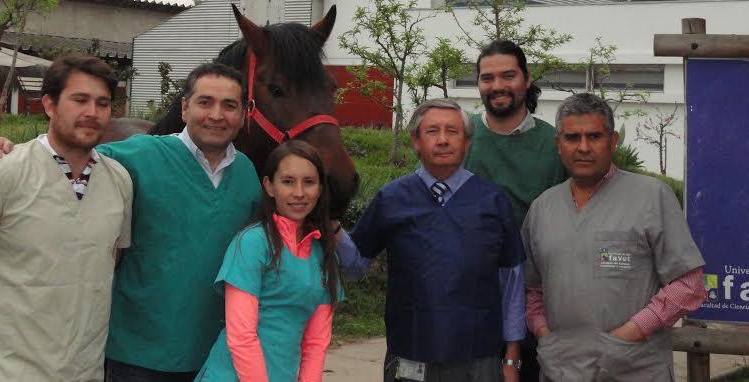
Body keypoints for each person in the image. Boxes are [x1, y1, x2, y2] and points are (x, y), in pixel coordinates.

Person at [0, 62, 262, 381]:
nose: (217, 115)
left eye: (229, 105)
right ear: (184, 107)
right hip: (136, 355)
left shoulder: (248, 174)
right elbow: (63, 153)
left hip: (216, 354)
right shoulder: (135, 156)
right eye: (205, 102)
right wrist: (2, 150)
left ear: (244, 113)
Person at [0, 54, 133, 381]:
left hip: (85, 368)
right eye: (80, 100)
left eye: (103, 103)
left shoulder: (118, 180)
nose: (92, 112)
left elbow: (111, 257)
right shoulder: (3, 172)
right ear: (49, 105)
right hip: (9, 369)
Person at [337, 98, 526, 382]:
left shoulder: (492, 200)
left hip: (478, 356)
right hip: (410, 351)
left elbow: (512, 281)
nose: (442, 140)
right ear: (416, 140)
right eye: (432, 131)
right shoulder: (392, 198)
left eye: (452, 131)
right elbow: (354, 266)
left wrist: (512, 357)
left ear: (466, 143)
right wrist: (329, 222)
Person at [522, 93, 705, 382]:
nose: (583, 147)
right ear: (558, 144)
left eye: (594, 136)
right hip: (560, 370)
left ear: (613, 140)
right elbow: (531, 290)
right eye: (572, 137)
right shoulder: (541, 208)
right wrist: (545, 334)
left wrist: (626, 337)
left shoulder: (651, 197)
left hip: (635, 368)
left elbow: (688, 284)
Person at [463, 40, 568, 380]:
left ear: (526, 78)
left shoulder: (557, 146)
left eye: (508, 76)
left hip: (540, 305)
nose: (497, 86)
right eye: (487, 78)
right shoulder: (461, 140)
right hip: (470, 303)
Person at [195, 140, 342, 382]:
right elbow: (241, 336)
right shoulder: (252, 243)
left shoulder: (324, 253)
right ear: (269, 186)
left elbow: (316, 343)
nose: (299, 193)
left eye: (309, 182)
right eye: (287, 181)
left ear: (320, 189)